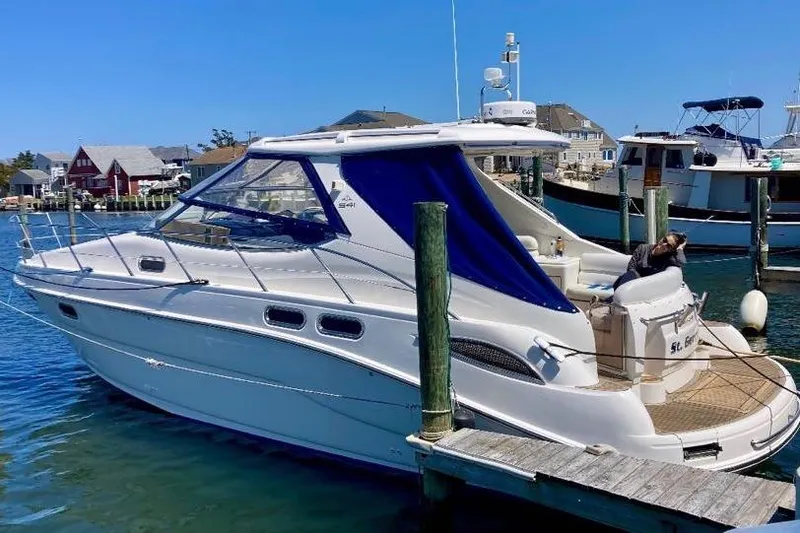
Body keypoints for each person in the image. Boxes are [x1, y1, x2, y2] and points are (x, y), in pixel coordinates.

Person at [612, 232, 688, 291]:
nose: (664, 244)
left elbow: (681, 262)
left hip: (648, 286)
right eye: (665, 240)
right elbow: (631, 267)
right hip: (632, 281)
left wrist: (680, 248)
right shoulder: (642, 248)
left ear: (670, 250)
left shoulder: (668, 258)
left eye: (668, 246)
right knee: (630, 274)